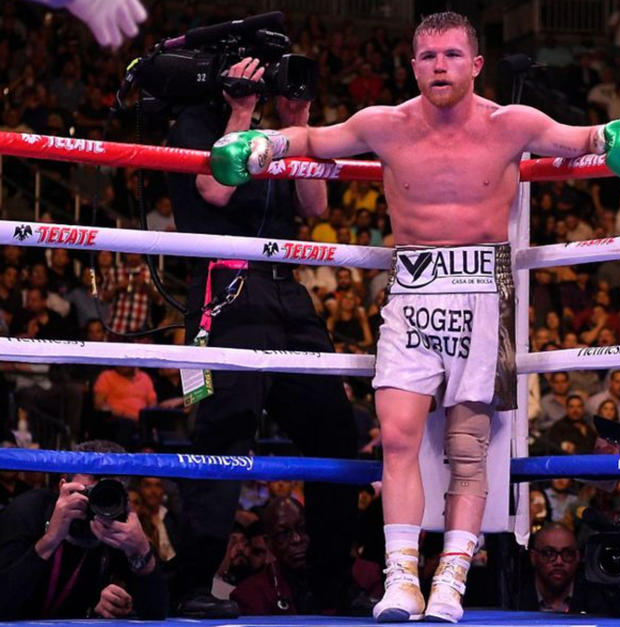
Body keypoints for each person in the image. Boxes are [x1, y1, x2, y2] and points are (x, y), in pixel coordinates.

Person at [209, 12, 620, 622]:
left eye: (450, 55)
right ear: (412, 65)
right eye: (427, 56)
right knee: (396, 435)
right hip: (413, 288)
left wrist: (615, 134)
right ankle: (401, 578)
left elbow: (580, 140)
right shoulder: (385, 125)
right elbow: (314, 140)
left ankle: (451, 580)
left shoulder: (511, 123)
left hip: (482, 290)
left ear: (475, 64)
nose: (438, 65)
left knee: (468, 451)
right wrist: (266, 143)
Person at [166, 57, 358, 617]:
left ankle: (330, 584)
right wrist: (243, 113)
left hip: (286, 288)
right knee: (223, 433)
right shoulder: (195, 124)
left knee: (335, 433)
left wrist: (296, 121)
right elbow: (215, 190)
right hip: (224, 287)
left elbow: (315, 204)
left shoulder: (285, 132)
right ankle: (195, 582)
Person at [0, 440, 167, 619]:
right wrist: (50, 540)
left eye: (107, 489)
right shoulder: (27, 512)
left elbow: (158, 612)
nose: (97, 495)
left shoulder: (116, 525)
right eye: (93, 478)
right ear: (62, 485)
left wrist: (141, 550)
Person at [231, 497, 314, 615]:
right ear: (268, 542)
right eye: (284, 534)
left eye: (302, 529)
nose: (297, 539)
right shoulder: (250, 594)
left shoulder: (334, 583)